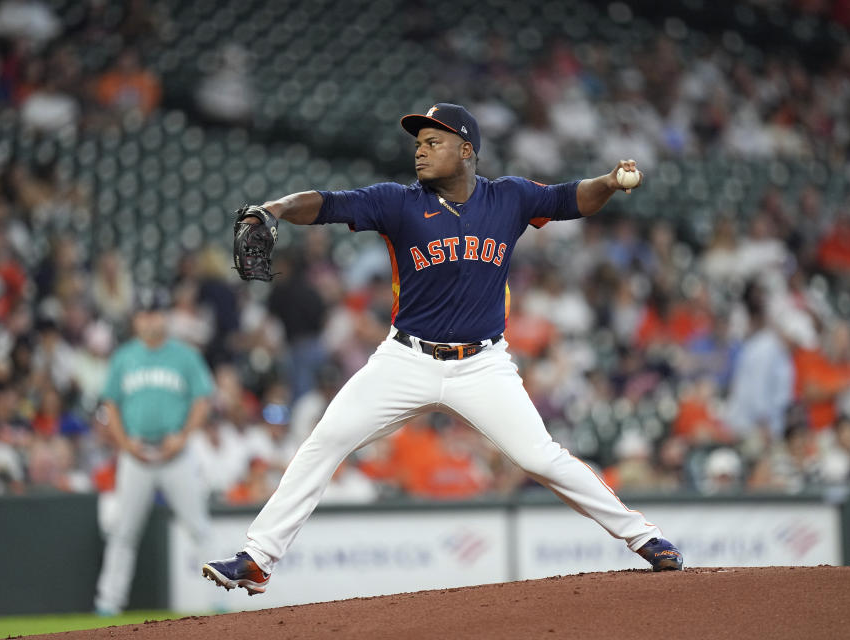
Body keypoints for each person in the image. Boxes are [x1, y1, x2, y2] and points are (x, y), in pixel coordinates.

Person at [203, 103, 682, 596]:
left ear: (467, 150)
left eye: (434, 142)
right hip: (405, 359)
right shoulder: (398, 203)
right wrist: (276, 209)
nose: (421, 152)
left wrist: (609, 180)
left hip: (482, 364)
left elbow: (571, 199)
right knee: (324, 443)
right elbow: (327, 203)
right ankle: (258, 558)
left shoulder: (509, 197)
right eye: (418, 144)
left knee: (541, 458)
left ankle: (644, 537)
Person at [94, 290, 215, 616]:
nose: (151, 319)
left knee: (199, 528)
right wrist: (123, 442)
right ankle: (108, 602)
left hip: (177, 454)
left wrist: (185, 435)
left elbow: (202, 400)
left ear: (166, 316)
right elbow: (111, 404)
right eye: (145, 314)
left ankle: (220, 600)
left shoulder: (185, 356)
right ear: (136, 319)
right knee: (123, 532)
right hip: (136, 456)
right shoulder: (124, 357)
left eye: (157, 313)